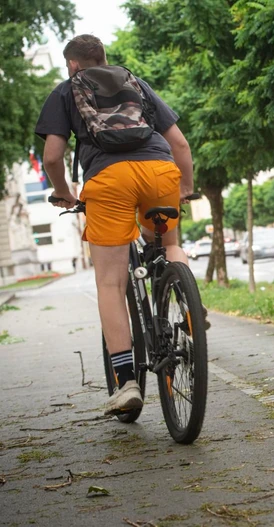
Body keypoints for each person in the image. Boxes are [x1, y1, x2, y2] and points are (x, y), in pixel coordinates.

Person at [35, 34, 197, 415]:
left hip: (108, 181)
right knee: (170, 244)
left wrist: (67, 194)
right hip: (160, 170)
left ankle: (126, 382)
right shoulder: (135, 83)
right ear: (103, 58)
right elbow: (181, 144)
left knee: (110, 282)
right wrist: (185, 187)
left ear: (74, 64)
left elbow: (53, 156)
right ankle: (189, 306)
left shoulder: (66, 90)